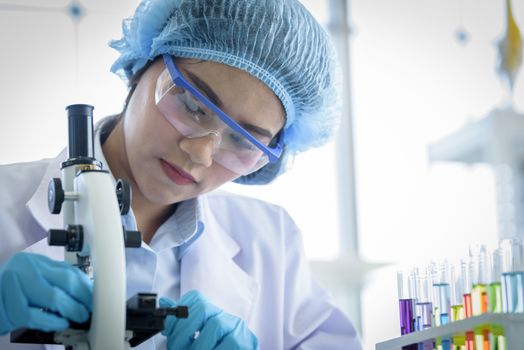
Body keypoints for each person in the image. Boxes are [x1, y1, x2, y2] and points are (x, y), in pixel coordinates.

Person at [0, 0, 362, 349]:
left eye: (242, 140)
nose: (200, 152)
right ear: (144, 62)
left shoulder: (271, 241)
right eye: (191, 105)